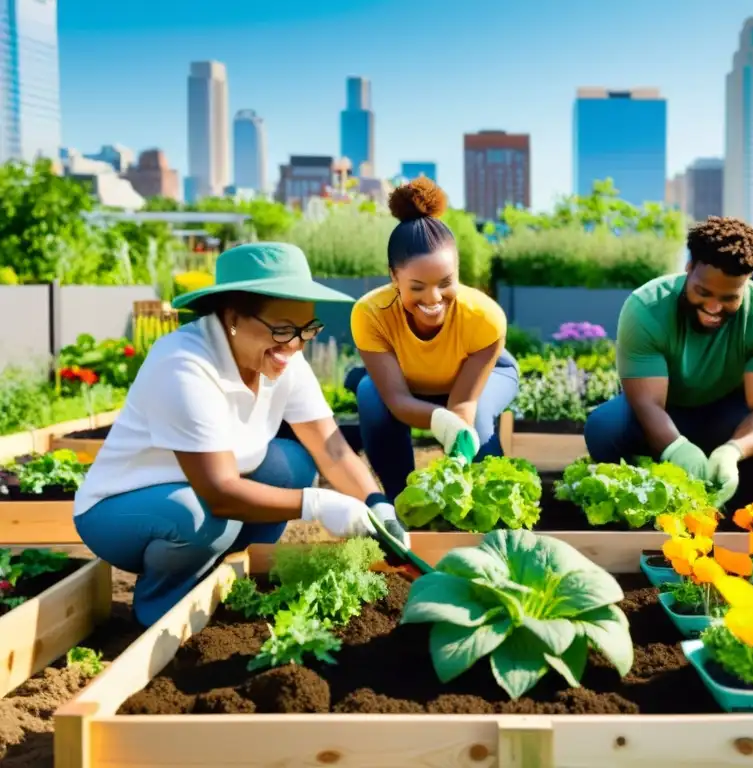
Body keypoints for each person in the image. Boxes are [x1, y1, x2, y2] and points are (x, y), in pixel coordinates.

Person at [73, 242, 410, 627]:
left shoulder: (283, 357)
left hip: (207, 494)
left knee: (293, 463)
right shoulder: (185, 365)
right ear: (232, 317)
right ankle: (161, 609)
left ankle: (229, 574)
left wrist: (377, 503)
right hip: (121, 511)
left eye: (306, 329)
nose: (295, 345)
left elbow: (331, 449)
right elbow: (220, 491)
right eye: (282, 329)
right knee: (201, 517)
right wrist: (318, 505)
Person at [583, 216, 753, 517]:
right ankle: (640, 516)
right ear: (688, 269)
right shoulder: (647, 307)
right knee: (605, 425)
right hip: (663, 412)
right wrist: (677, 449)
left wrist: (733, 451)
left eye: (729, 298)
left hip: (727, 417)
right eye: (703, 292)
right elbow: (647, 403)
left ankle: (749, 526)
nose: (713, 307)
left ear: (747, 283)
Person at [347, 177, 519, 500]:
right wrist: (442, 422)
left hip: (481, 379)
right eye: (417, 287)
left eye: (445, 282)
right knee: (371, 394)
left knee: (476, 422)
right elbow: (397, 400)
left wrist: (455, 459)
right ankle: (403, 504)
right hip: (410, 389)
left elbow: (464, 403)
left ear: (457, 271)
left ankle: (485, 511)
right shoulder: (370, 314)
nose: (433, 298)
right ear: (394, 277)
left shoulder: (485, 318)